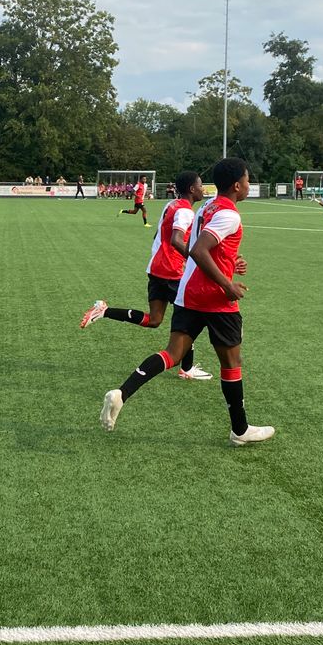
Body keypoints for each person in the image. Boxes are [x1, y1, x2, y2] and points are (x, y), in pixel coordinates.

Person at [98, 158, 274, 446]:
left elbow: (203, 248)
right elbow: (201, 250)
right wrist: (227, 283)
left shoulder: (206, 207)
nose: (248, 184)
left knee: (172, 354)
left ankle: (122, 393)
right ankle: (240, 430)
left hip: (187, 294)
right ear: (236, 185)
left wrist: (231, 262)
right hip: (215, 299)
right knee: (232, 362)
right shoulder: (230, 214)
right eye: (246, 179)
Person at [81, 171, 212, 380]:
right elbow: (177, 239)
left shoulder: (171, 205)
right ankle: (186, 369)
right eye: (200, 185)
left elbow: (158, 234)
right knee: (188, 319)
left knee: (154, 320)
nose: (203, 189)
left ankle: (104, 311)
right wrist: (194, 258)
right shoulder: (186, 211)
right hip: (172, 271)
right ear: (191, 189)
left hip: (157, 269)